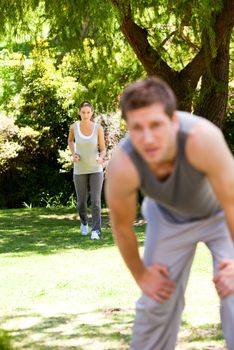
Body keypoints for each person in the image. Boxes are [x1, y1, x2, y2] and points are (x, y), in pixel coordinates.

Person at [105, 77, 234, 350]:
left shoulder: (202, 138)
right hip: (168, 218)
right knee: (156, 300)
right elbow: (121, 226)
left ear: (173, 122)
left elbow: (232, 203)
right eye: (137, 128)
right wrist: (141, 275)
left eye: (155, 125)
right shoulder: (123, 163)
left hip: (221, 215)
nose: (147, 138)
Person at [68, 101, 106, 240]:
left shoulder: (98, 128)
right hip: (80, 169)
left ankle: (96, 230)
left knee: (96, 201)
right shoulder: (74, 127)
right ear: (79, 112)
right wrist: (74, 153)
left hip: (96, 169)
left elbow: (103, 149)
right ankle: (84, 222)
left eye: (88, 112)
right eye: (83, 112)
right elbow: (70, 141)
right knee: (81, 202)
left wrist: (101, 158)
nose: (85, 115)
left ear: (92, 113)